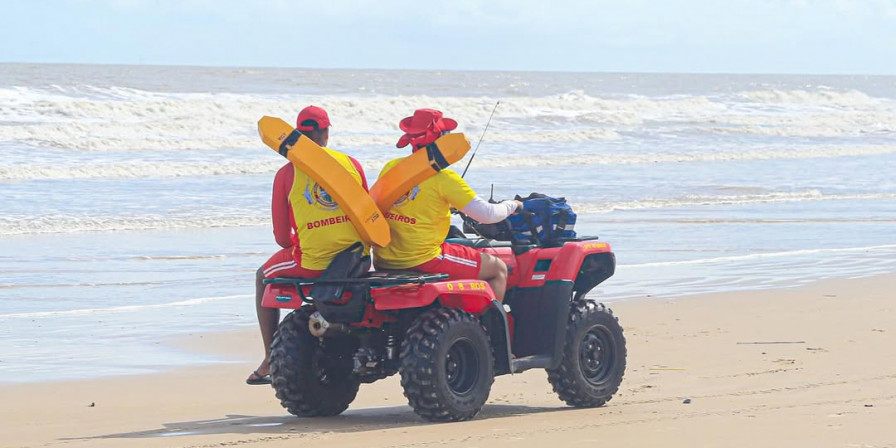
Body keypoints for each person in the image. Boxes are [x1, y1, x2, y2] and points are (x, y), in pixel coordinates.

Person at [246, 105, 369, 385]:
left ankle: (269, 359)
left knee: (262, 277)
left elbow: (281, 237)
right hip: (357, 259)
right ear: (325, 134)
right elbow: (367, 214)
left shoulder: (287, 173)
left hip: (312, 263)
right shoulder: (351, 164)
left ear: (299, 136)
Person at [373, 108, 522, 301]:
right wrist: (513, 205)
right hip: (424, 259)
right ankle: (485, 328)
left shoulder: (391, 167)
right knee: (498, 269)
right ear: (441, 140)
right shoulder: (444, 179)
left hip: (384, 260)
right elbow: (487, 214)